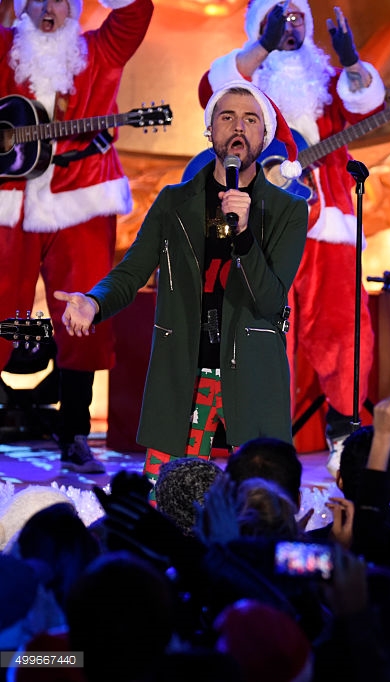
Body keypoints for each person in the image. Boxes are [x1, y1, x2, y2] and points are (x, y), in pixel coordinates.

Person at [57, 81, 308, 489]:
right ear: (210, 130)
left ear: (266, 135)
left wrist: (244, 235)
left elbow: (270, 299)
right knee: (167, 503)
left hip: (253, 370)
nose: (238, 128)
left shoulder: (288, 210)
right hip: (184, 370)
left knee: (261, 503)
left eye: (250, 119)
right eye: (227, 117)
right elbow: (131, 271)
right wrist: (93, 302)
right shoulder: (174, 202)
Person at [198, 0, 387, 470]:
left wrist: (348, 59)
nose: (290, 27)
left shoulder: (328, 82)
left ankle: (346, 431)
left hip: (329, 226)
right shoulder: (242, 85)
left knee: (344, 332)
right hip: (257, 226)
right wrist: (261, 45)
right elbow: (209, 89)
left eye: (297, 18)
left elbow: (367, 100)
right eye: (278, 20)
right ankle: (255, 442)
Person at [0, 0, 154, 473]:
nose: (50, 9)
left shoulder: (99, 49)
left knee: (84, 316)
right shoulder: (4, 48)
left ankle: (75, 434)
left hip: (82, 199)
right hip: (10, 200)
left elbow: (135, 12)